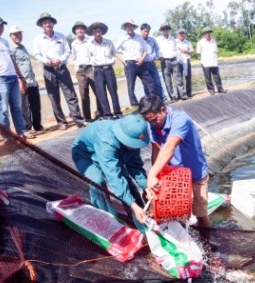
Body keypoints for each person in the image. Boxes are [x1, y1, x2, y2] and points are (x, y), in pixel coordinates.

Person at [138, 95, 211, 242]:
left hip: (196, 174)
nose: (152, 123)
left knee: (201, 214)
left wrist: (151, 175)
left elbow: (170, 146)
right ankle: (186, 242)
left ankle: (208, 245)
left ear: (163, 110)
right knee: (175, 212)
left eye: (154, 119)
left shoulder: (180, 119)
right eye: (148, 121)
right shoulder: (152, 124)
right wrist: (156, 176)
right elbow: (157, 150)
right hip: (175, 176)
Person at [71, 114, 149, 228]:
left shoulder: (133, 137)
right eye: (132, 144)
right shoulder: (106, 141)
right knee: (97, 181)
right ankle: (108, 222)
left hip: (112, 154)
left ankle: (142, 222)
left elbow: (135, 167)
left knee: (129, 186)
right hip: (86, 156)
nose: (134, 147)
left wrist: (146, 187)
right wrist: (133, 205)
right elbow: (114, 177)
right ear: (124, 138)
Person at [32, 12, 86, 131]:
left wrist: (59, 59)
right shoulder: (38, 39)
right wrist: (47, 61)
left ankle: (79, 120)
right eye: (45, 22)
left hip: (62, 68)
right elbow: (36, 54)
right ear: (41, 25)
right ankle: (61, 122)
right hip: (48, 70)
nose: (47, 24)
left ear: (53, 24)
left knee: (71, 95)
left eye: (49, 22)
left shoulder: (61, 36)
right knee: (54, 97)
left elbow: (67, 51)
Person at [0, 16, 35, 139]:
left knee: (16, 107)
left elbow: (13, 60)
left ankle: (22, 131)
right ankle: (7, 135)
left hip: (12, 77)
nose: (0, 28)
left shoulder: (5, 42)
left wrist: (21, 77)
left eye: (2, 26)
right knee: (3, 108)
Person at [9, 25, 45, 134]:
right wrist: (19, 81)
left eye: (20, 33)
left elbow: (28, 65)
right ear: (11, 36)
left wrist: (34, 79)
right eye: (15, 34)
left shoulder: (24, 48)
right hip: (21, 82)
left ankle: (37, 126)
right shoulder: (11, 50)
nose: (18, 36)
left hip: (31, 81)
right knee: (24, 107)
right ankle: (27, 128)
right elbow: (13, 67)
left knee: (36, 105)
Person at [115, 19, 154, 107]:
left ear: (133, 27)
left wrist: (142, 59)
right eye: (127, 26)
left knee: (150, 81)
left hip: (140, 62)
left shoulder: (139, 37)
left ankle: (151, 100)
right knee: (131, 84)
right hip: (129, 63)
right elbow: (113, 50)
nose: (129, 27)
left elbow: (145, 50)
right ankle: (134, 104)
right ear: (125, 28)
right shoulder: (122, 38)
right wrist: (122, 60)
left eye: (131, 26)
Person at [87, 22, 122, 120]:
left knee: (113, 91)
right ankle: (107, 114)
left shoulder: (109, 43)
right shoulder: (90, 45)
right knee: (101, 93)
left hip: (109, 69)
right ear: (92, 33)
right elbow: (89, 57)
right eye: (95, 31)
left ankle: (118, 111)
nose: (97, 33)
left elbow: (114, 53)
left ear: (101, 32)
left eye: (98, 31)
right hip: (98, 71)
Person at [71, 21, 102, 122]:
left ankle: (100, 113)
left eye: (82, 28)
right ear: (75, 31)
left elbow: (94, 53)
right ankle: (87, 117)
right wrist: (76, 70)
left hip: (90, 68)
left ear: (85, 30)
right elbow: (74, 58)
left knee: (97, 91)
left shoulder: (90, 41)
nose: (80, 30)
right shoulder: (73, 44)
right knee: (83, 94)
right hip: (80, 70)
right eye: (78, 28)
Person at [156, 22, 185, 101]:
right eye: (163, 29)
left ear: (168, 30)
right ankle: (173, 97)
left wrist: (177, 59)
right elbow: (156, 50)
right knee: (167, 80)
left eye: (166, 29)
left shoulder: (172, 38)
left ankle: (182, 95)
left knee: (178, 78)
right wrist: (158, 57)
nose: (165, 30)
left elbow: (177, 49)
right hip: (165, 61)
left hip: (174, 60)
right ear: (161, 30)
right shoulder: (158, 40)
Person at [196, 27, 226, 96]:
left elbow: (216, 51)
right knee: (208, 78)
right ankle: (211, 90)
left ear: (210, 33)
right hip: (205, 62)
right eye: (206, 33)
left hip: (214, 62)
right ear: (203, 34)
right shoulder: (200, 43)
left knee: (217, 76)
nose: (207, 34)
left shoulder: (214, 41)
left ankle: (220, 88)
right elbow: (198, 52)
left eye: (209, 32)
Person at [140, 23, 165, 101]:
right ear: (141, 31)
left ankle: (161, 100)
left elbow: (158, 49)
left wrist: (156, 58)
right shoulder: (138, 41)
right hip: (143, 65)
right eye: (145, 31)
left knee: (157, 82)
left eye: (148, 31)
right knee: (147, 84)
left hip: (152, 64)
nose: (146, 33)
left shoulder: (152, 40)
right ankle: (150, 102)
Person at [176, 28, 193, 99]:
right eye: (180, 33)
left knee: (188, 77)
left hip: (186, 60)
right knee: (178, 78)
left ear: (185, 34)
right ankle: (180, 94)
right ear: (177, 34)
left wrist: (186, 51)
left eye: (183, 33)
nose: (182, 35)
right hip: (178, 61)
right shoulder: (174, 42)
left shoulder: (187, 42)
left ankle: (189, 93)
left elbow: (192, 51)